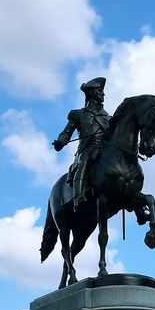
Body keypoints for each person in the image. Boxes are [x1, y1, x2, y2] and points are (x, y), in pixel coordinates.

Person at [52, 77, 111, 211]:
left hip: (105, 149)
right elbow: (67, 132)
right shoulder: (78, 114)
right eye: (99, 91)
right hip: (87, 149)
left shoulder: (108, 118)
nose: (103, 94)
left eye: (102, 91)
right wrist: (61, 141)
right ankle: (78, 196)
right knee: (84, 161)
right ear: (91, 93)